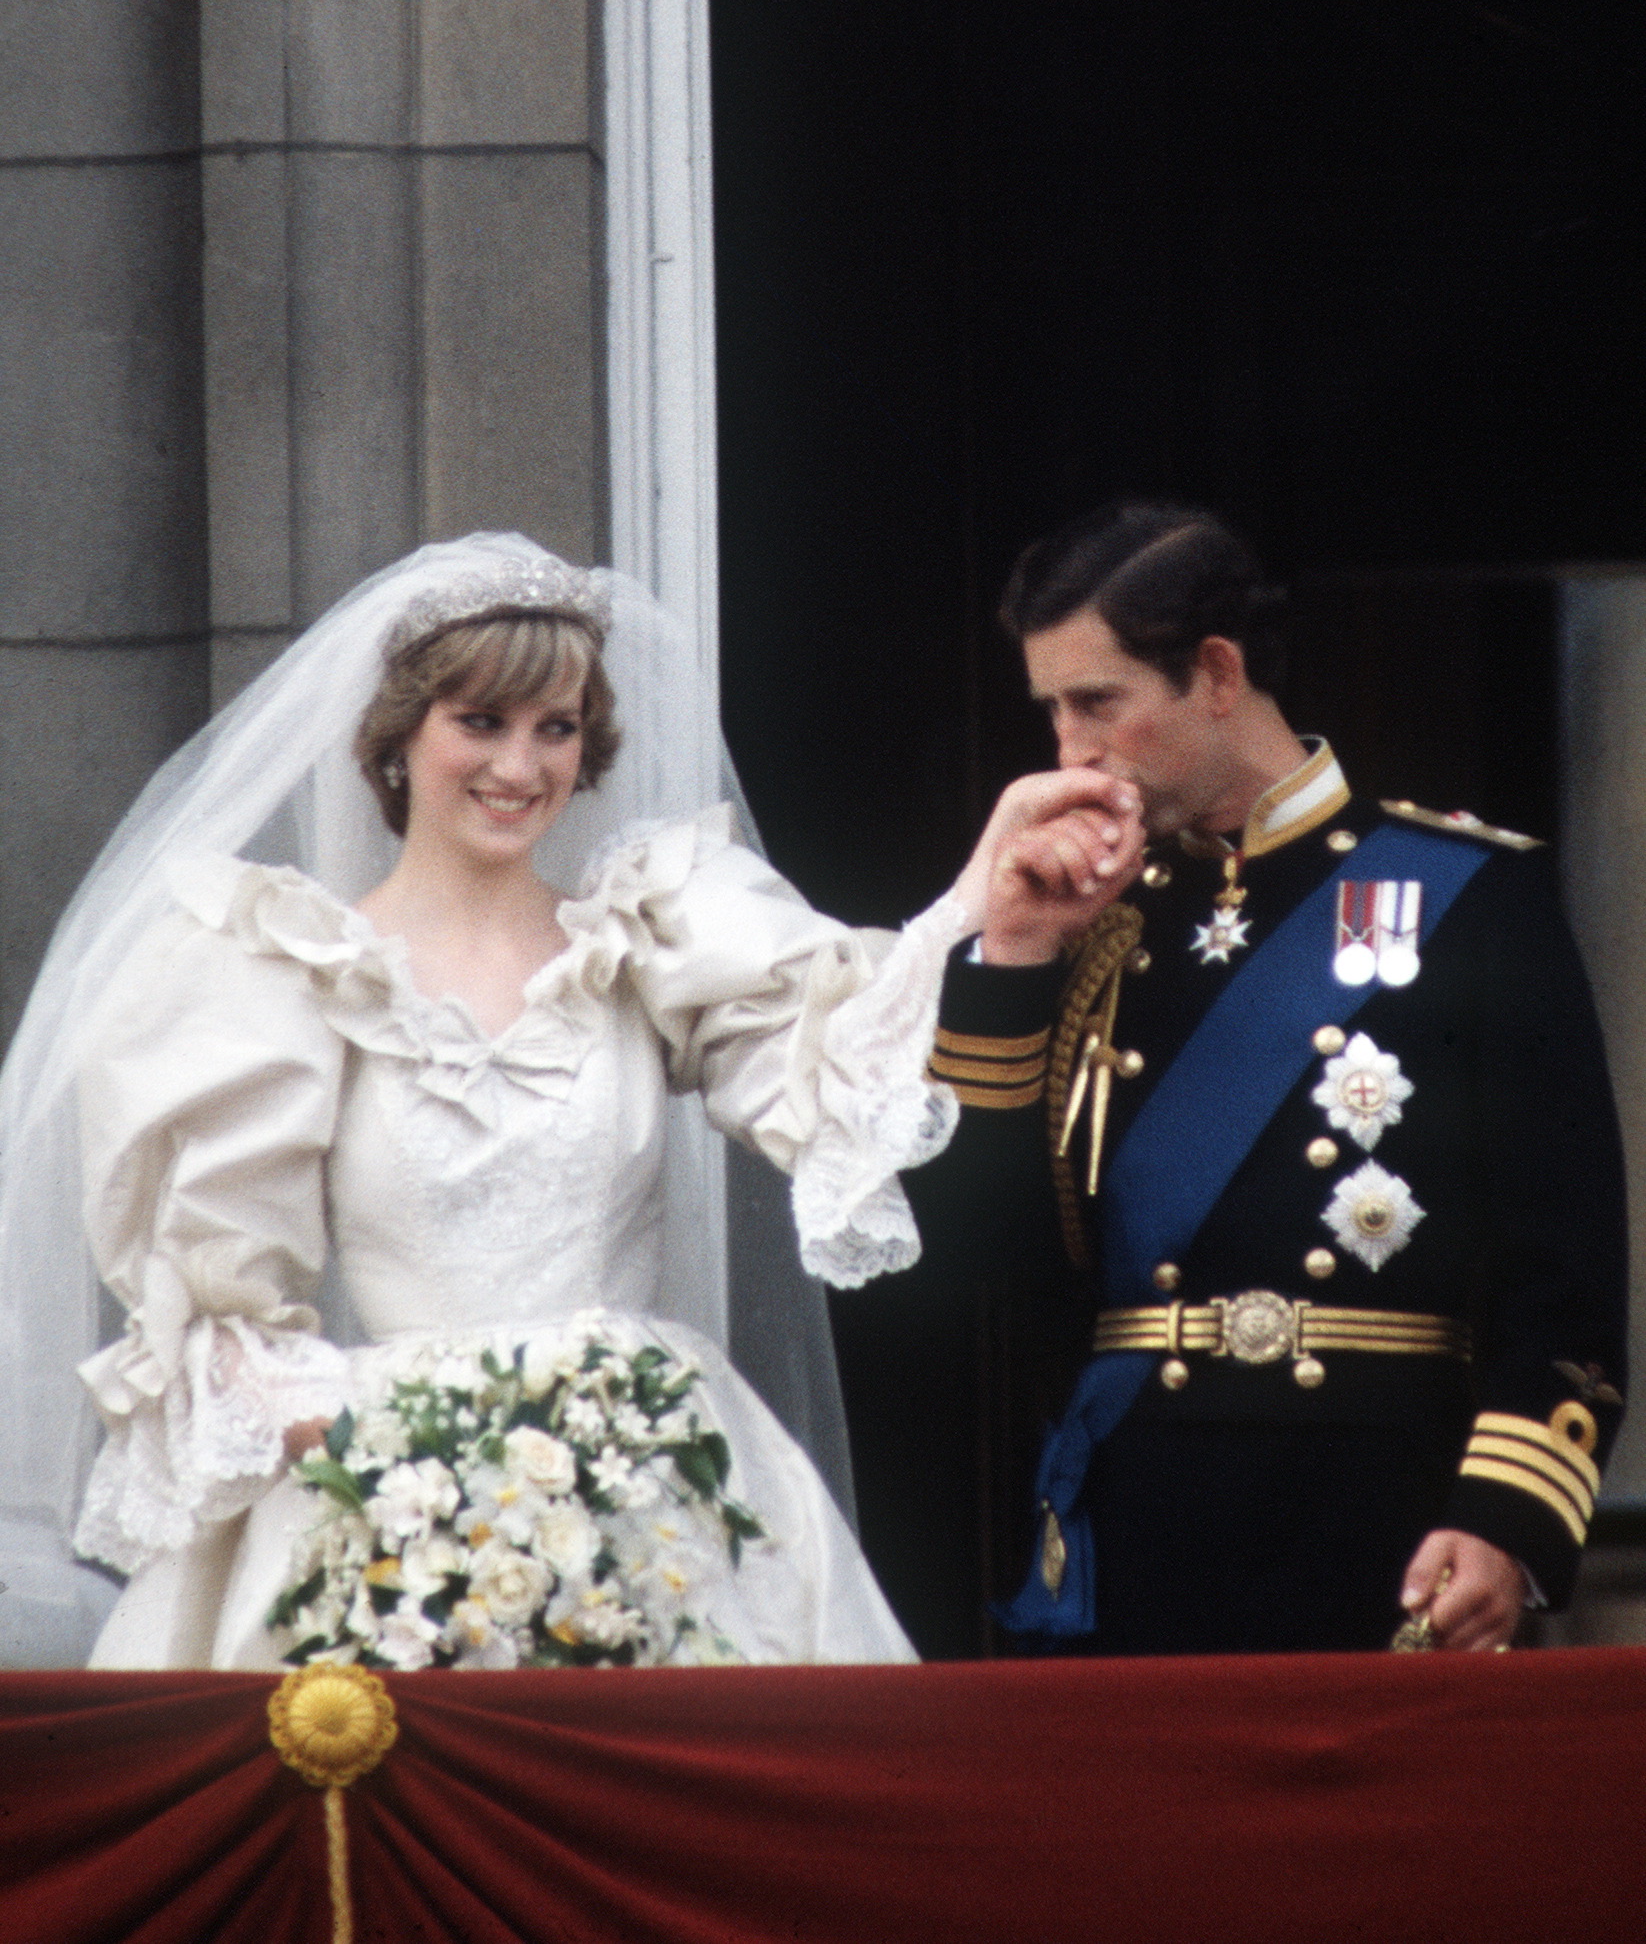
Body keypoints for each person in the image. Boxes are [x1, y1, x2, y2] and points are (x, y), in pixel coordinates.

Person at [0, 533, 1129, 1670]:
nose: (521, 764)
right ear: (397, 737)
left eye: (556, 726)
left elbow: (851, 1077)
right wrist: (413, 1463)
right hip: (383, 1511)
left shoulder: (653, 932)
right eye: (479, 721)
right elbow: (212, 1312)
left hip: (651, 1482)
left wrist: (989, 910)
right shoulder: (283, 969)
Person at [916, 501, 1629, 1655]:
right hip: (1136, 1524)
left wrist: (1502, 1516)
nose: (1066, 752)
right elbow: (971, 1268)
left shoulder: (1464, 896)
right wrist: (1006, 961)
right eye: (1049, 708)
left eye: (1096, 703)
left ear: (1213, 672)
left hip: (1382, 1518)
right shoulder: (1083, 921)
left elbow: (1563, 1271)